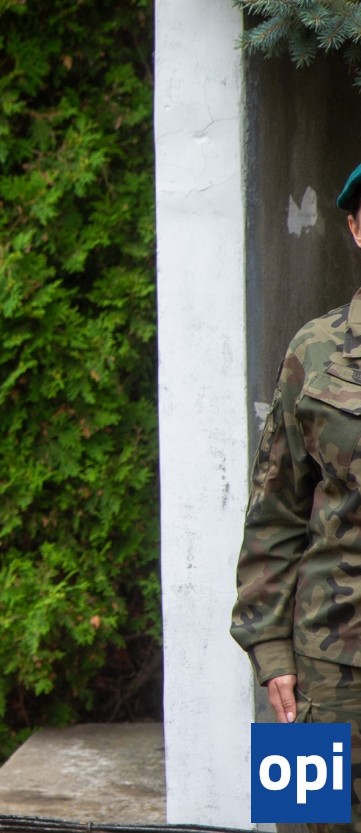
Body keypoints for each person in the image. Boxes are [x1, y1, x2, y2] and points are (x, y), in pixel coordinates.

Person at [233, 162, 361, 830]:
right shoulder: (312, 351)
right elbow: (273, 514)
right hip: (322, 671)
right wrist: (270, 653)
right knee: (303, 821)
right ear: (356, 228)